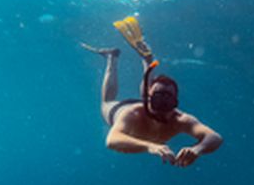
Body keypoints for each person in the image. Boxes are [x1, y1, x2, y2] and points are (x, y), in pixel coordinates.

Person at [81, 16, 222, 167]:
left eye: (167, 100)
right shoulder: (133, 114)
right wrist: (150, 146)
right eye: (158, 99)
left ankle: (148, 62)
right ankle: (112, 59)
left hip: (146, 101)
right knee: (107, 101)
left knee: (153, 90)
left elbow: (214, 137)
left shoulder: (180, 119)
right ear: (149, 99)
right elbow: (111, 140)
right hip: (121, 109)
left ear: (175, 103)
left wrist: (197, 149)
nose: (162, 106)